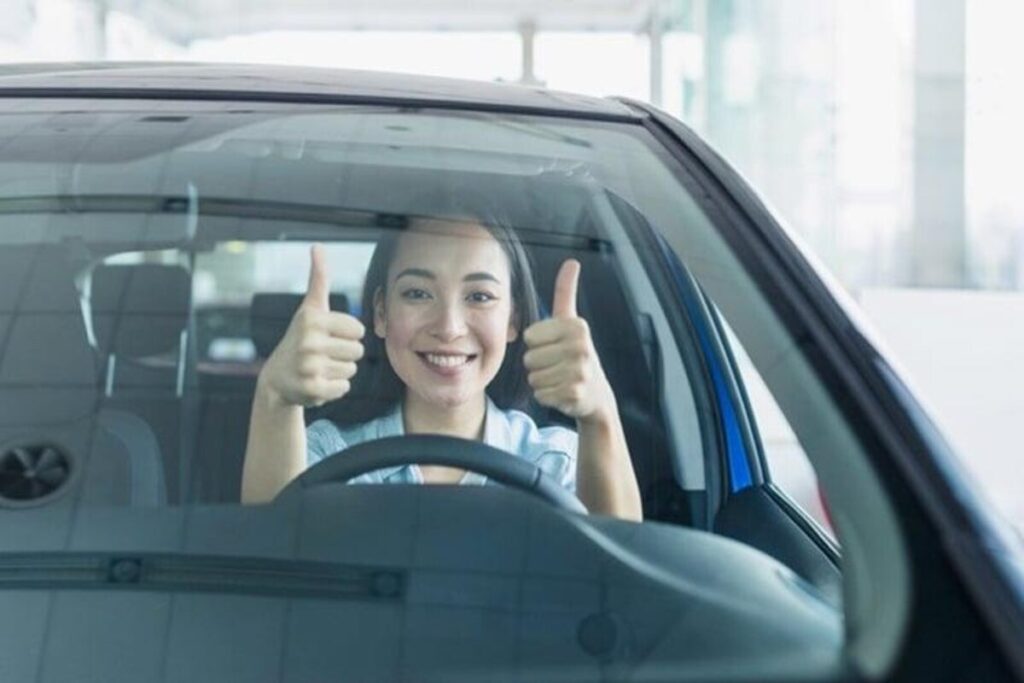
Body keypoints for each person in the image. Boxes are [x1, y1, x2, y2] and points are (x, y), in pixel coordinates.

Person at [241, 210, 642, 521]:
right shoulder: (327, 453)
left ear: (514, 319)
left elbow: (625, 585)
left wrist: (599, 413)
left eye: (479, 296)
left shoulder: (556, 462)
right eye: (418, 293)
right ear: (380, 313)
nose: (449, 328)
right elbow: (265, 561)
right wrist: (274, 397)